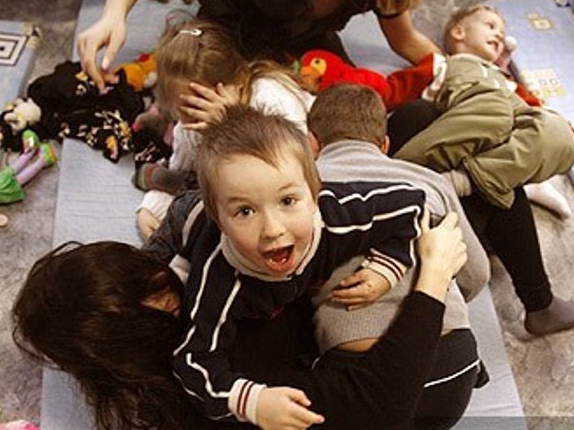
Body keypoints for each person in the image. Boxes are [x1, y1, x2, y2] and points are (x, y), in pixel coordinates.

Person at [12, 197, 468, 430]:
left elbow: (189, 216)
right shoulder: (225, 377)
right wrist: (434, 272)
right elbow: (383, 404)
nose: (167, 290)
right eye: (151, 294)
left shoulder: (194, 263)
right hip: (416, 390)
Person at [170, 104, 436, 428]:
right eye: (245, 211)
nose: (272, 229)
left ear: (314, 195)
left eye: (287, 201)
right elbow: (192, 360)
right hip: (202, 241)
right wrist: (253, 402)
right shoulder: (219, 276)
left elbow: (411, 205)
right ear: (221, 220)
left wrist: (386, 268)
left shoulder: (338, 218)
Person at [307, 84, 490, 429]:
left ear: (312, 142)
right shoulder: (429, 182)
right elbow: (476, 273)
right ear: (385, 145)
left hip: (357, 375)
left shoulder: (302, 189)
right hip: (454, 370)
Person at [77, 0, 441, 93]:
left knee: (350, 109)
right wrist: (114, 14)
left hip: (302, 46)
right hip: (230, 25)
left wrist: (460, 71)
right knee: (206, 107)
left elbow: (405, 40)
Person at [392, 4, 574, 212]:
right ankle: (402, 178)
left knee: (559, 132)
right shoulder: (442, 64)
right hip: (469, 127)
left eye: (502, 33)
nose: (499, 36)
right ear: (459, 32)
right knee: (496, 109)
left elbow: (539, 112)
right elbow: (391, 89)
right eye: (490, 26)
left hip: (502, 138)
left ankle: (470, 181)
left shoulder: (507, 82)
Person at [135, 20, 315, 239]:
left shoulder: (271, 98)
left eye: (205, 101)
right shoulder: (189, 128)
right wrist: (150, 208)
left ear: (239, 81)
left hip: (304, 163)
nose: (199, 115)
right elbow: (181, 179)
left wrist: (227, 126)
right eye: (187, 109)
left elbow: (293, 172)